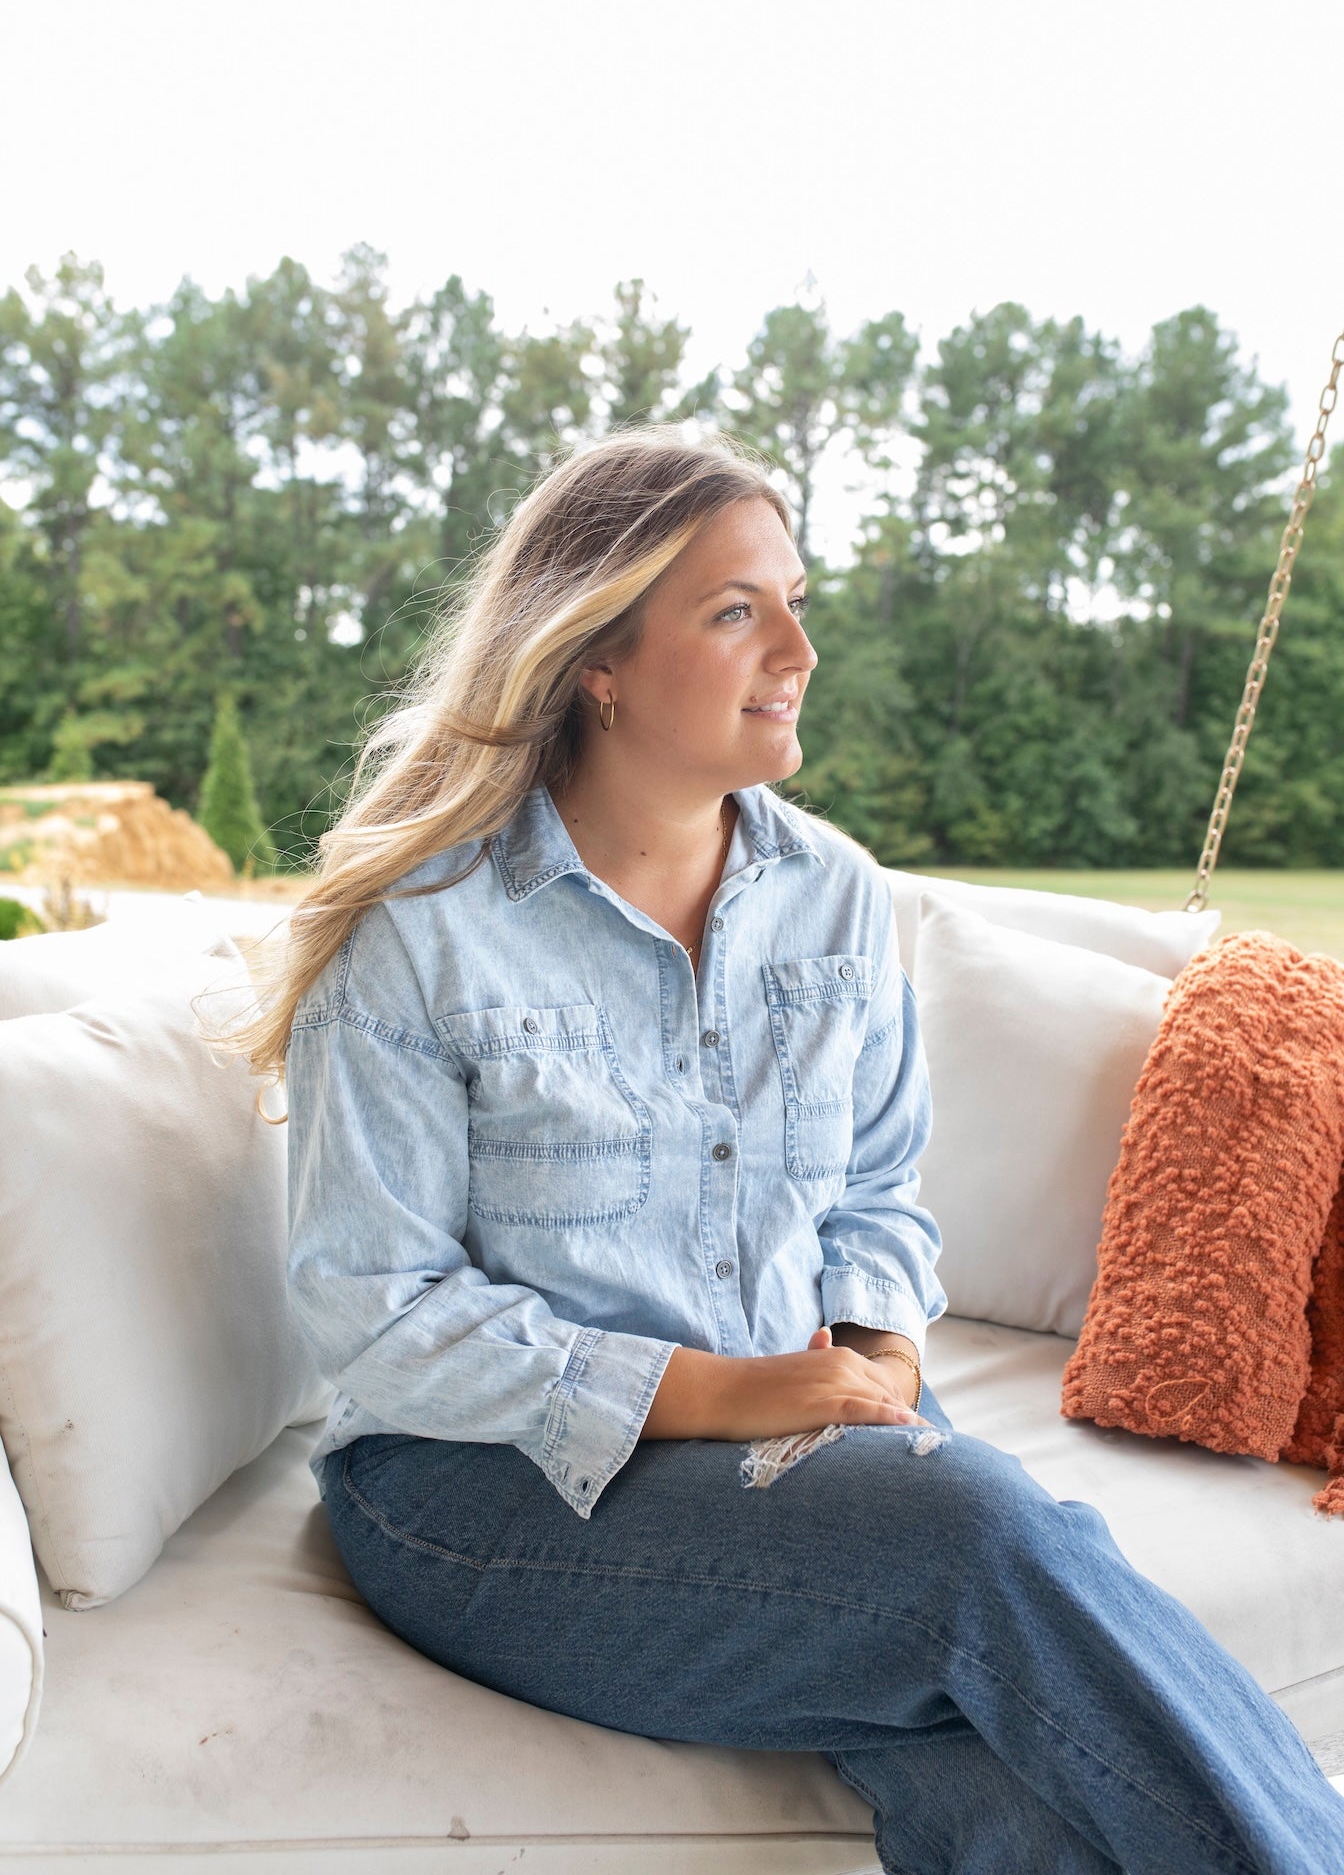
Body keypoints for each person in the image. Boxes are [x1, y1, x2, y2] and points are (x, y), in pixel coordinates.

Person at [238, 424, 1344, 1874]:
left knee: (1008, 1764)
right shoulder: (423, 936)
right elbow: (378, 1321)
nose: (800, 649)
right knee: (982, 1536)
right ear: (598, 660)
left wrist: (880, 1354)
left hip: (788, 1436)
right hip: (477, 1489)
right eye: (737, 610)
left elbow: (879, 1192)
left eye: (798, 599)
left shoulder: (831, 895)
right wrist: (724, 1393)